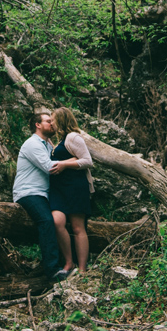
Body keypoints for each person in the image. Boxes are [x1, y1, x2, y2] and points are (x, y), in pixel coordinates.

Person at [13, 111, 69, 281]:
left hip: (44, 193)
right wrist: (74, 161)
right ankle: (52, 271)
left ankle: (68, 262)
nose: (52, 124)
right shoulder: (32, 144)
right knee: (46, 221)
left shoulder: (46, 145)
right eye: (48, 121)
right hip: (28, 192)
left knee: (62, 220)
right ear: (38, 125)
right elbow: (49, 167)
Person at [48, 107, 94, 274]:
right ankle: (69, 263)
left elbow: (88, 161)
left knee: (77, 227)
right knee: (57, 221)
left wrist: (64, 164)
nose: (51, 123)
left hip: (75, 187)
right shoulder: (61, 140)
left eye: (53, 120)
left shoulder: (73, 137)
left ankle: (82, 269)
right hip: (59, 190)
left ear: (61, 120)